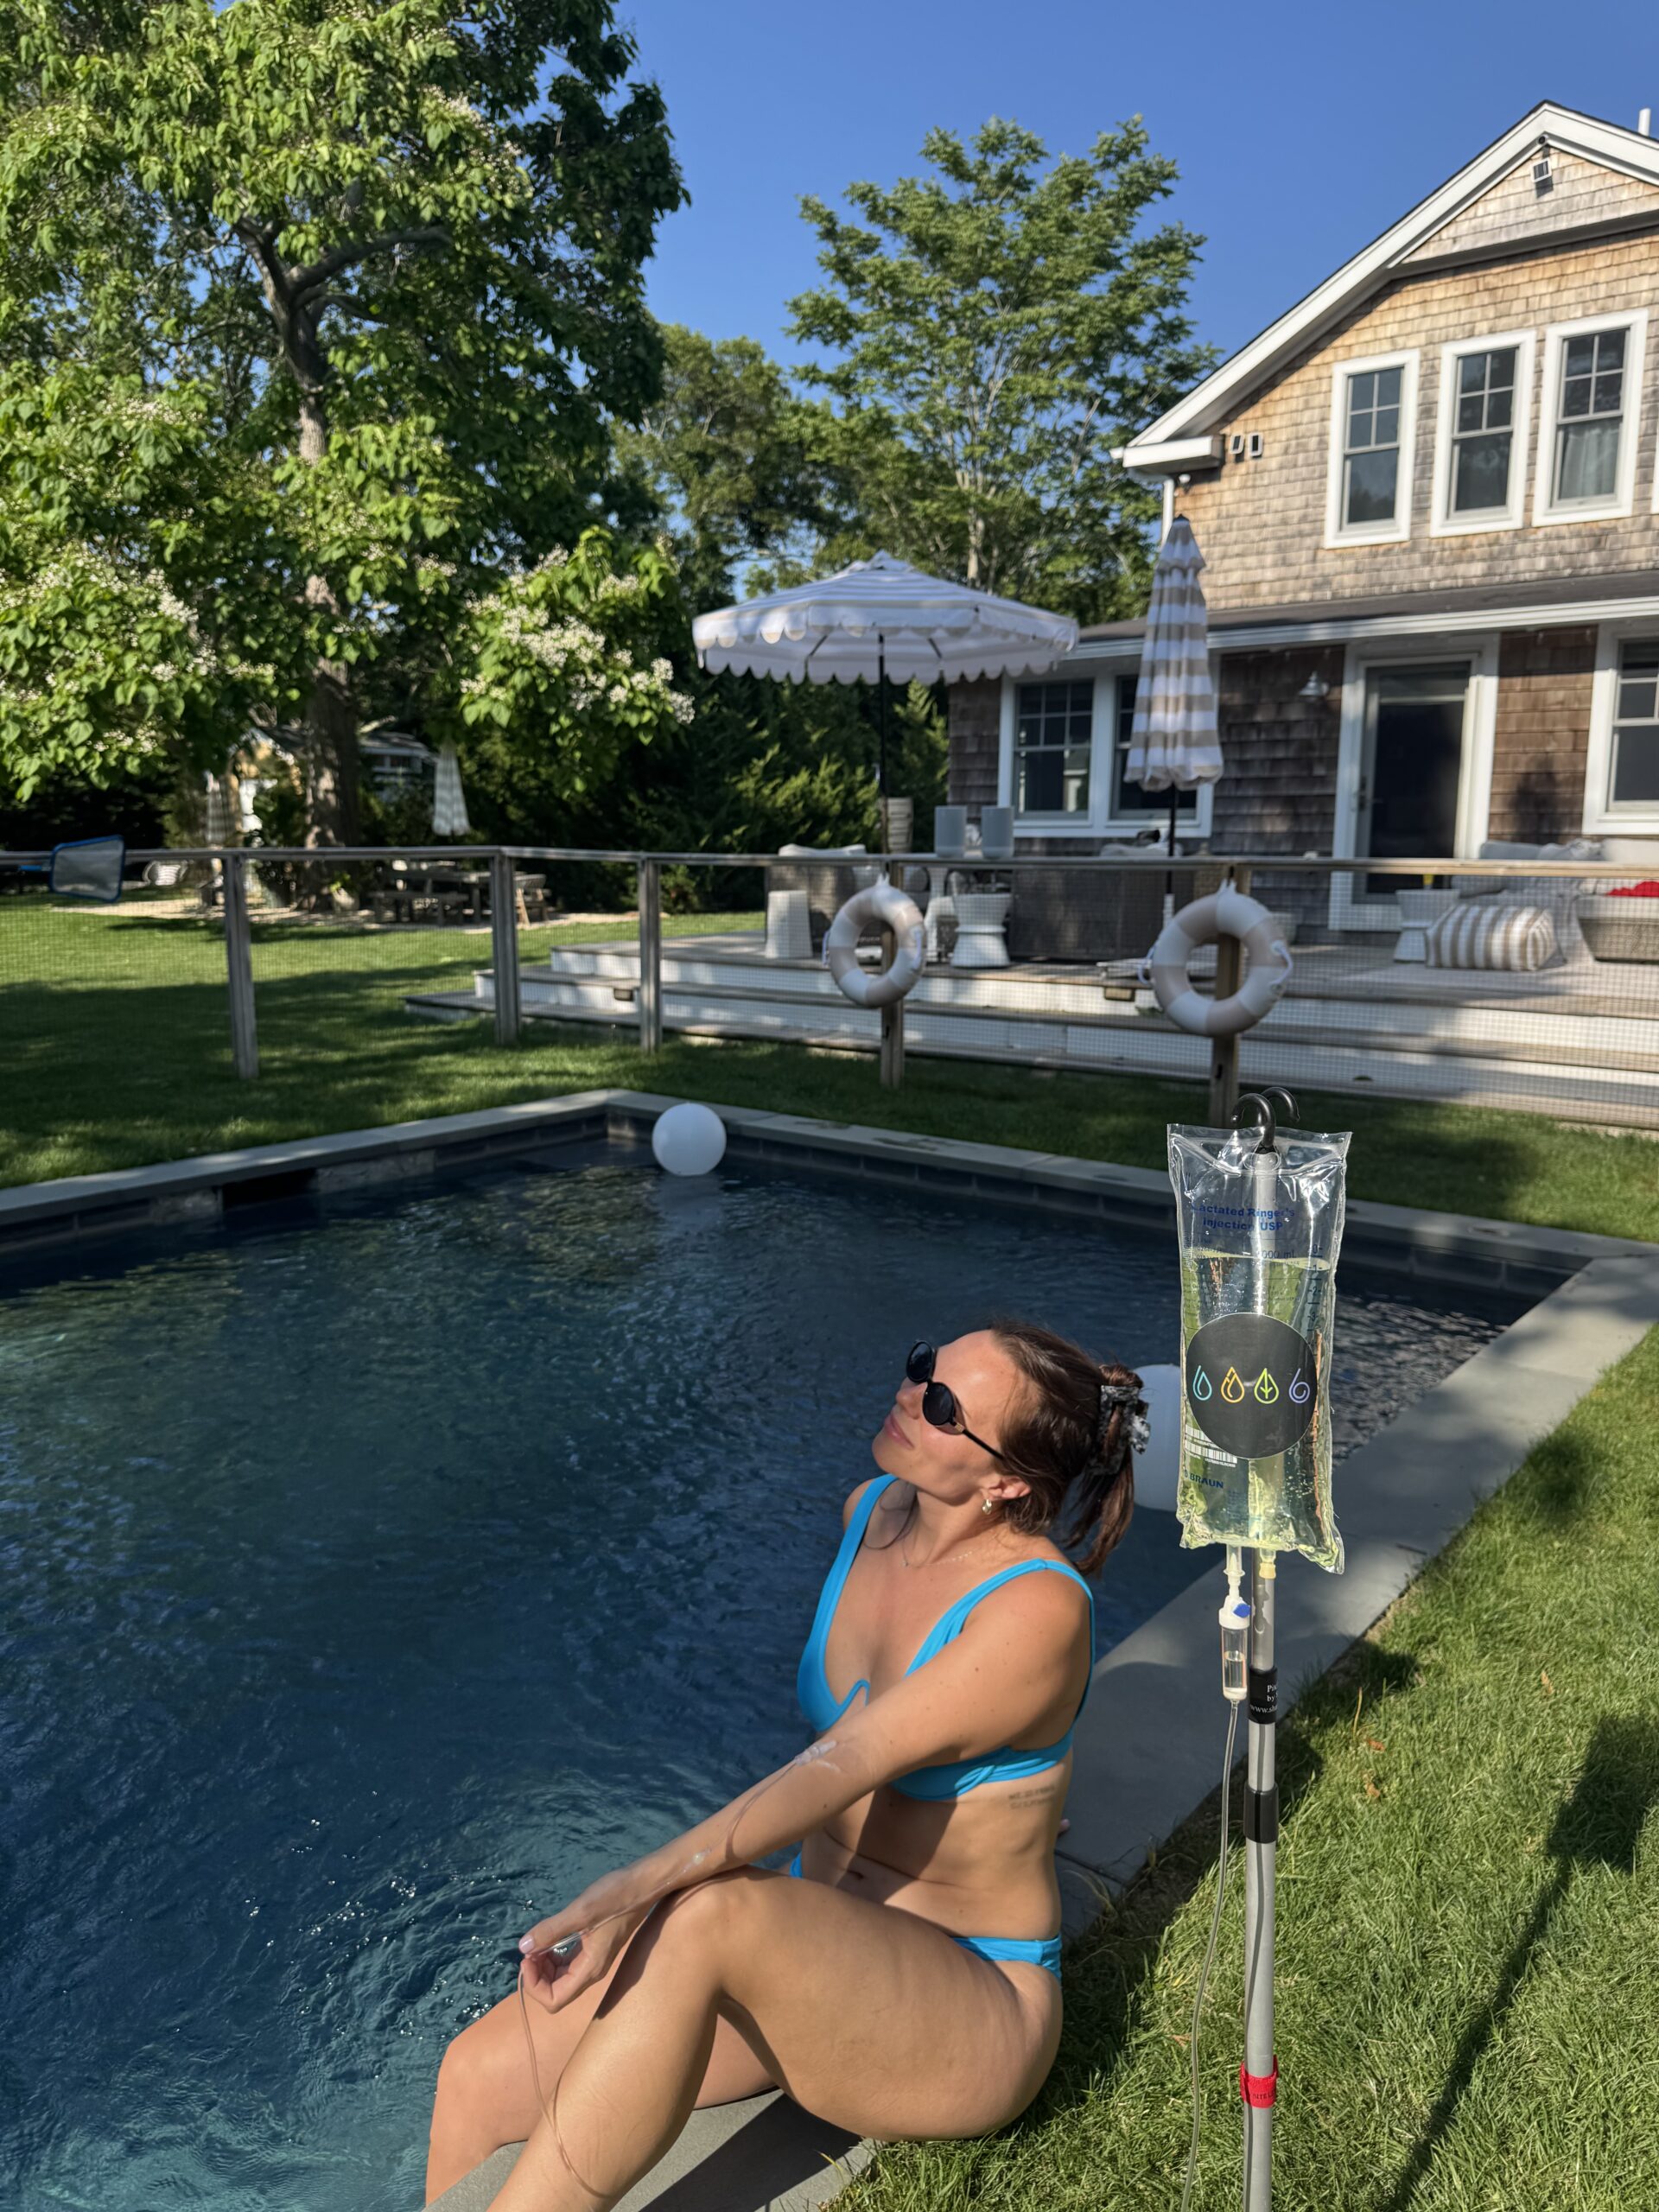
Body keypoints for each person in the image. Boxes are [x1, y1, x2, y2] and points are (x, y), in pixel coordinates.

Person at [424, 1324, 1147, 2209]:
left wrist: (632, 1893)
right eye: (923, 1366)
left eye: (944, 1405)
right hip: (815, 1948)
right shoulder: (871, 1513)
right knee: (474, 2076)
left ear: (1007, 1482)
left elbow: (845, 1763)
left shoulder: (1037, 1609)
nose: (909, 1393)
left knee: (707, 1913)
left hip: (967, 1992)